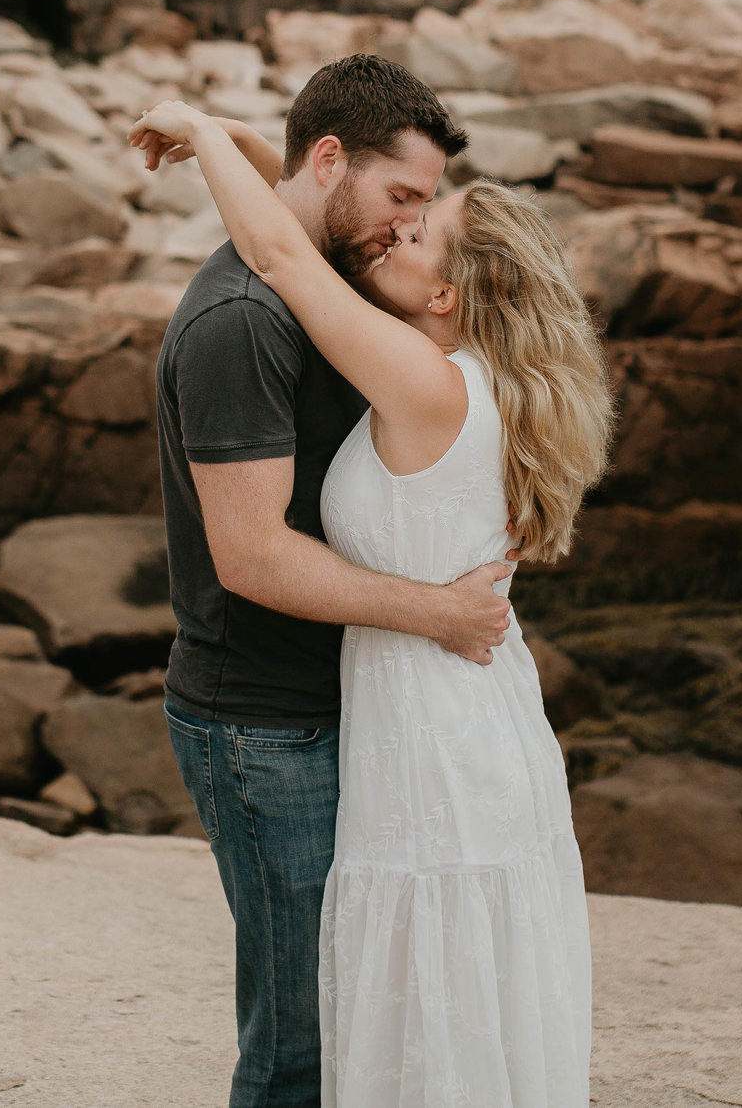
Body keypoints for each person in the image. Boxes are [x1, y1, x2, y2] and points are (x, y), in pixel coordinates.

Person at [134, 61, 615, 1108]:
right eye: (403, 201)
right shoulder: (424, 351)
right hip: (360, 716)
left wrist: (198, 124)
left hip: (415, 725)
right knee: (350, 1020)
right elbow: (306, 216)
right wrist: (250, 147)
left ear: (443, 290)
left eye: (417, 224)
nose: (396, 233)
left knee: (395, 999)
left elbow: (285, 232)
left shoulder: (412, 366)